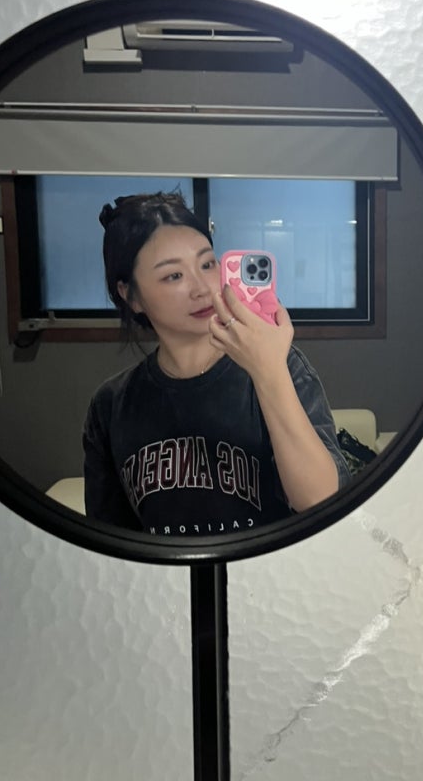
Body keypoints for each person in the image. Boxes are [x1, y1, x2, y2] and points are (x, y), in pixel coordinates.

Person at [83, 191, 350, 535]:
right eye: (173, 276)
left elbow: (322, 501)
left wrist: (268, 372)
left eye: (208, 264)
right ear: (130, 295)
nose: (202, 288)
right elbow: (109, 541)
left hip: (273, 569)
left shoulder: (281, 364)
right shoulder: (111, 405)